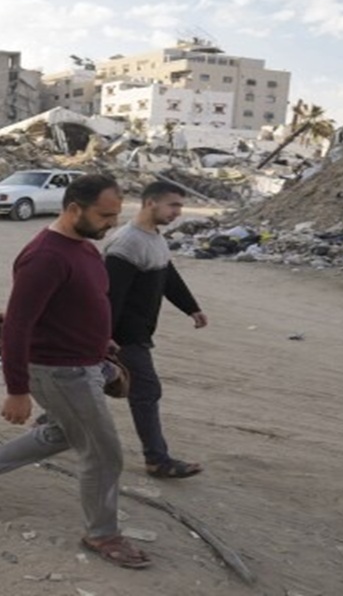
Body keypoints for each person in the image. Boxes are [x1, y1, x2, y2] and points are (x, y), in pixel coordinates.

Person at [0, 175, 152, 570]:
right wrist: (18, 390)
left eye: (115, 215)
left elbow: (82, 304)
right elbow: (18, 326)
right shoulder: (44, 257)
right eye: (105, 215)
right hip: (59, 372)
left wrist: (102, 346)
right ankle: (102, 533)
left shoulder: (84, 248)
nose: (111, 224)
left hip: (84, 365)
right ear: (74, 208)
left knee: (62, 434)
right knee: (104, 453)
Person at [103, 180, 207, 479]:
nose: (178, 212)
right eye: (173, 205)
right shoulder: (127, 243)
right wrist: (104, 336)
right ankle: (157, 460)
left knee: (91, 382)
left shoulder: (153, 238)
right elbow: (110, 295)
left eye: (180, 206)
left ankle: (50, 421)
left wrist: (192, 308)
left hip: (136, 333)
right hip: (125, 336)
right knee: (146, 390)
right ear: (151, 203)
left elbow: (167, 275)